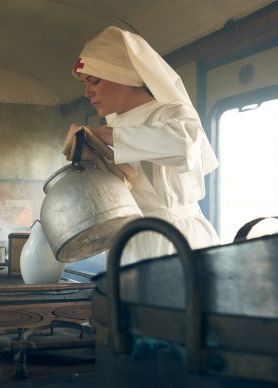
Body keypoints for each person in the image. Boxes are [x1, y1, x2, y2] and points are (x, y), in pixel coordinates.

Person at [63, 26, 219, 264]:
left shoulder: (170, 112)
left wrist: (109, 135)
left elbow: (184, 147)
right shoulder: (117, 123)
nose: (87, 92)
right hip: (128, 241)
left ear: (123, 75)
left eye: (94, 81)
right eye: (84, 83)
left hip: (172, 241)